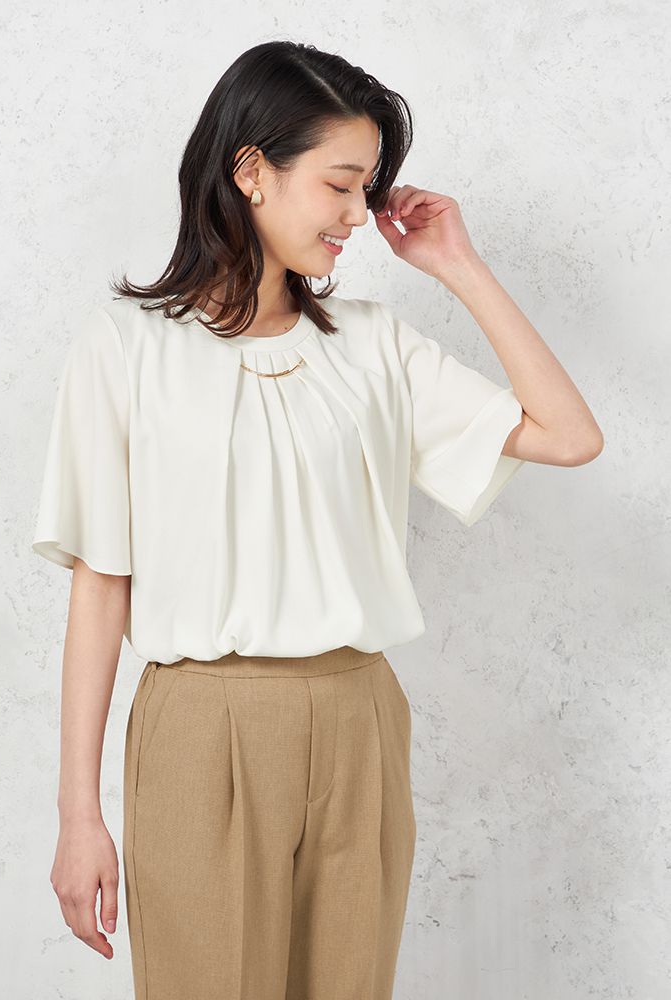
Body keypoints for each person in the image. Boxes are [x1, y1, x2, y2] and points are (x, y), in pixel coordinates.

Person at [32, 40, 603, 1000]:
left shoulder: (373, 346)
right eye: (340, 185)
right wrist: (77, 815)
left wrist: (458, 265)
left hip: (359, 720)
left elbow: (569, 435)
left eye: (367, 188)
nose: (357, 215)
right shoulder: (126, 348)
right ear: (251, 170)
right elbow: (101, 584)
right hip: (202, 728)